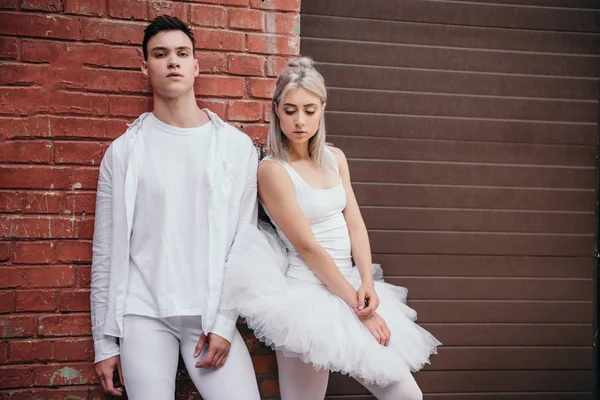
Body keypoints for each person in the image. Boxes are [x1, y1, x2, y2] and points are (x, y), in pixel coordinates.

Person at [223, 57, 441, 400]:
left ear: (322, 109)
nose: (299, 120)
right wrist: (360, 312)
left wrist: (367, 280)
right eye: (291, 109)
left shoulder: (335, 158)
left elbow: (355, 223)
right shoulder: (273, 170)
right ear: (277, 110)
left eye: (309, 110)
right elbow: (308, 247)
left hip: (351, 285)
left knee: (406, 395)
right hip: (306, 297)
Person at [90, 15, 261, 400]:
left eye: (182, 53)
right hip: (143, 312)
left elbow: (245, 243)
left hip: (209, 313)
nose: (173, 61)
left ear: (196, 65)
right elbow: (106, 251)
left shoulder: (236, 148)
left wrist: (224, 322)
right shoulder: (124, 152)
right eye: (161, 53)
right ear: (145, 66)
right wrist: (105, 344)